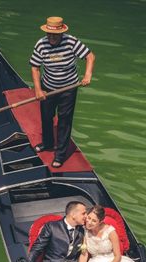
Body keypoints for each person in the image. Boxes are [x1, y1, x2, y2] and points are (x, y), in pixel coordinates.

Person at [29, 16, 96, 168]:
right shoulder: (41, 44)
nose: (51, 37)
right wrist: (38, 90)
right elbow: (35, 67)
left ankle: (60, 154)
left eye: (54, 35)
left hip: (68, 88)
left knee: (64, 120)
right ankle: (47, 143)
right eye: (49, 34)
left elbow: (90, 56)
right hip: (48, 87)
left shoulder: (71, 42)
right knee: (46, 117)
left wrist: (87, 75)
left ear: (61, 33)